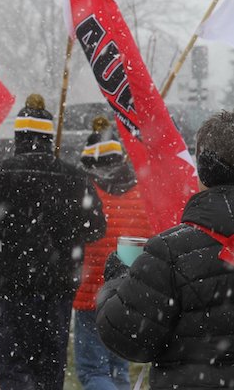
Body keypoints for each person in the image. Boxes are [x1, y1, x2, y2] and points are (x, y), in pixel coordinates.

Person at [0, 94, 105, 389]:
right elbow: (95, 227)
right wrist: (68, 241)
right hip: (58, 287)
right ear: (48, 138)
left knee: (13, 365)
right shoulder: (75, 178)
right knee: (50, 365)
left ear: (19, 137)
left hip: (10, 285)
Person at [96, 110, 234, 389]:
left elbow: (127, 336)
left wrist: (119, 278)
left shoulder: (169, 252)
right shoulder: (168, 251)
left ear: (202, 169)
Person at [71, 117, 152, 390]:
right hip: (129, 295)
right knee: (119, 370)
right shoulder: (142, 193)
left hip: (90, 294)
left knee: (92, 371)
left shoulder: (85, 193)